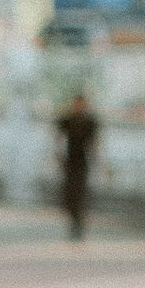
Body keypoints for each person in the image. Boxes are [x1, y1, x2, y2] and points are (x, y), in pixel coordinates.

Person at [56, 90, 100, 240]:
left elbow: (93, 143)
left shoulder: (89, 122)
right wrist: (58, 156)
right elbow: (58, 139)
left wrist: (97, 161)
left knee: (80, 192)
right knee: (69, 193)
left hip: (82, 162)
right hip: (69, 161)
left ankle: (78, 223)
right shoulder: (67, 120)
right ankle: (73, 220)